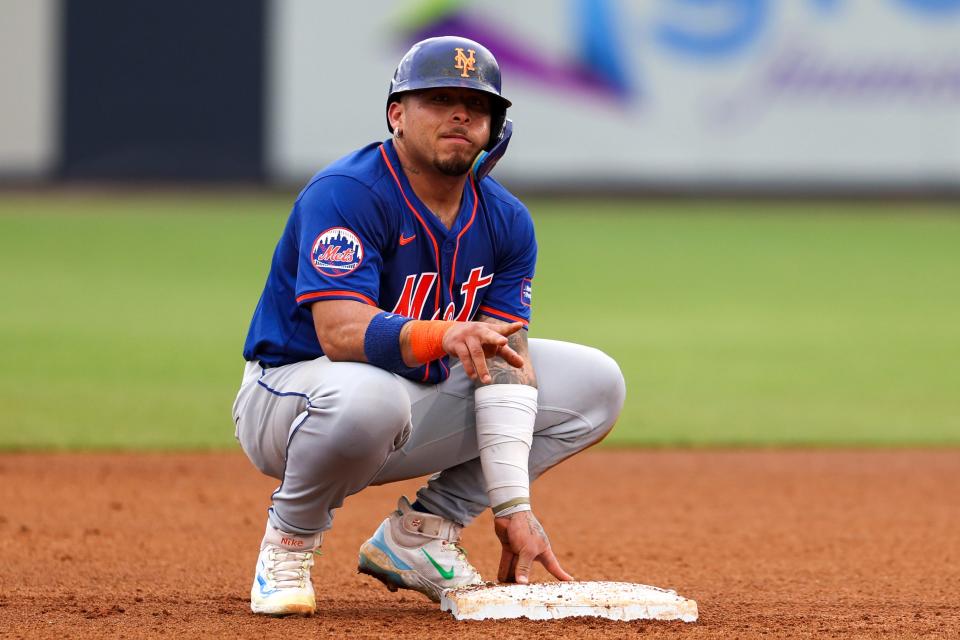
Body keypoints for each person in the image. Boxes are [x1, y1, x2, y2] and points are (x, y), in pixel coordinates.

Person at [233, 35, 626, 616]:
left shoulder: (507, 220)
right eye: (438, 98)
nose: (461, 113)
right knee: (371, 397)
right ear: (396, 113)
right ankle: (287, 544)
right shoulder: (347, 193)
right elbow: (340, 334)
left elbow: (502, 360)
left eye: (477, 104)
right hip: (292, 398)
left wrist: (512, 506)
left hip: (408, 401)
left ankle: (421, 536)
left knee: (596, 383)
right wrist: (443, 335)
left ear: (495, 127)